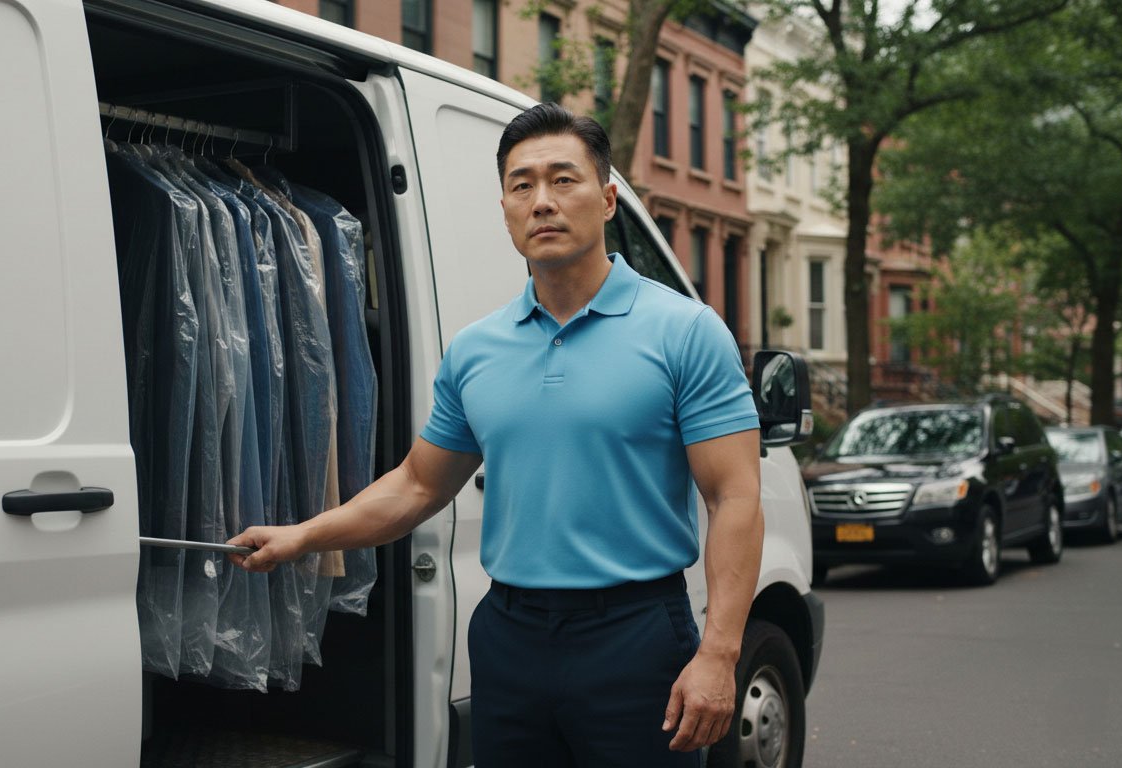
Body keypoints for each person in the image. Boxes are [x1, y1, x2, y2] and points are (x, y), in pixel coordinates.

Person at [228, 103, 763, 767]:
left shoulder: (685, 331)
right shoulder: (476, 349)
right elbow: (420, 484)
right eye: (521, 184)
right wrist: (303, 536)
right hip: (509, 639)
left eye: (563, 180)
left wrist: (718, 653)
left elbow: (735, 498)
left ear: (607, 198)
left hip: (636, 637)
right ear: (505, 206)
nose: (542, 201)